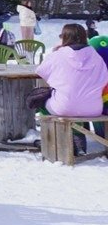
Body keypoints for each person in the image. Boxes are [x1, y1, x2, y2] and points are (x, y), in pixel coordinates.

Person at [33, 24, 108, 153]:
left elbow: (40, 71)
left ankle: (62, 143)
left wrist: (55, 52)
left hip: (65, 107)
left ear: (65, 37)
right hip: (94, 108)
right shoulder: (95, 56)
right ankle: (78, 141)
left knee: (40, 101)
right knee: (78, 104)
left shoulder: (59, 55)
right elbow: (104, 79)